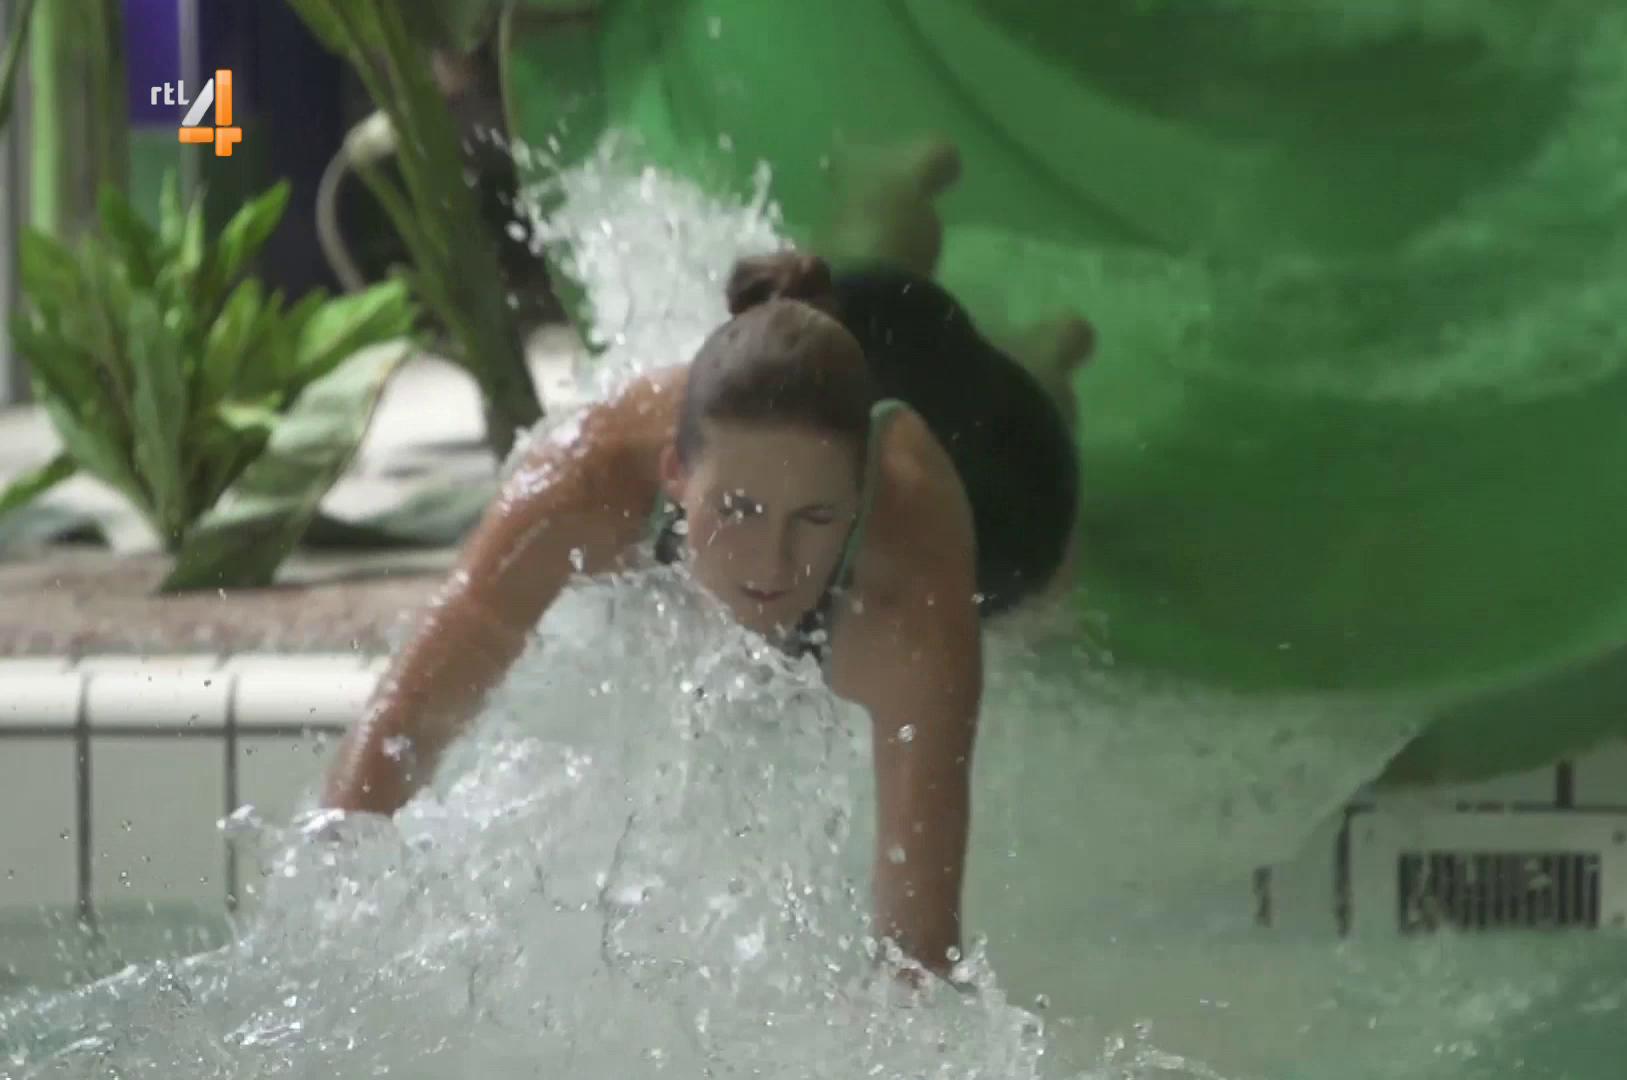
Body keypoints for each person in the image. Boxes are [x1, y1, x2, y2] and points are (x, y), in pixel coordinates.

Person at [320, 138, 1095, 979]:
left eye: (815, 518)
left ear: (858, 496)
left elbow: (920, 948)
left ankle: (1048, 352)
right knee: (859, 267)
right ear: (675, 473)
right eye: (737, 510)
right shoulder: (587, 478)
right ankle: (888, 186)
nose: (771, 563)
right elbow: (405, 722)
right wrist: (323, 929)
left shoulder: (907, 566)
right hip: (831, 342)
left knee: (1045, 556)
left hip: (991, 444)